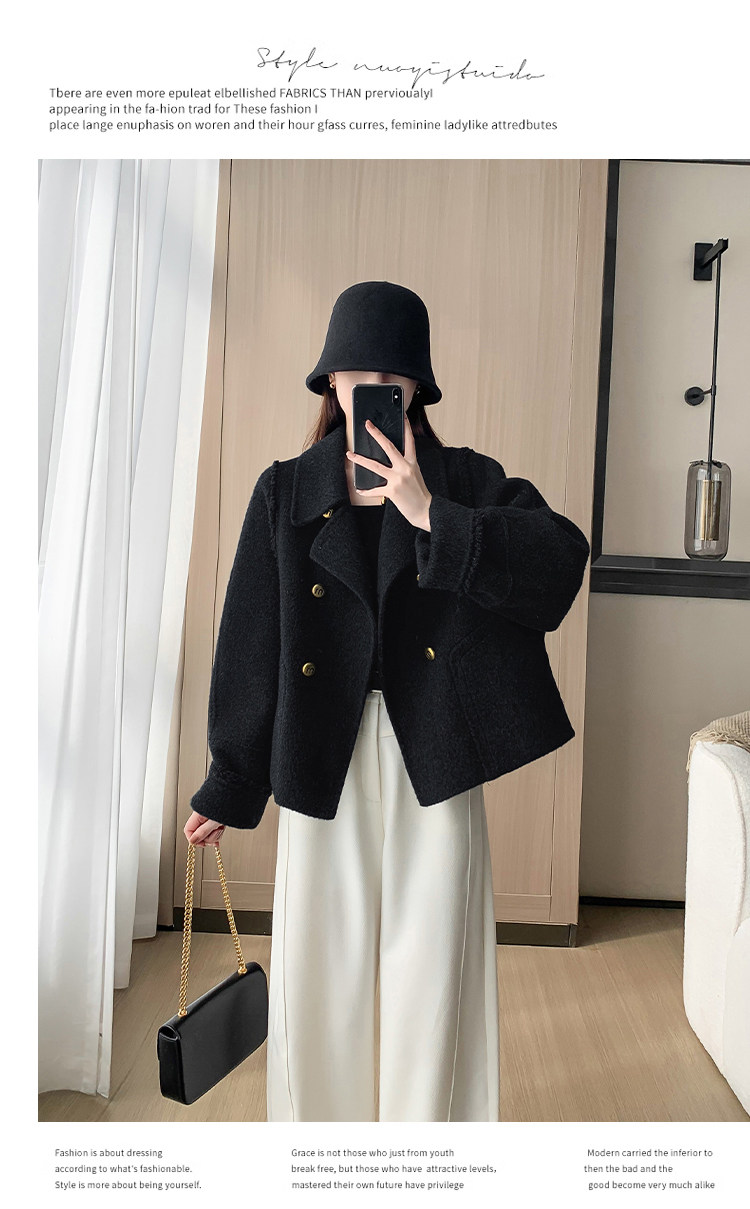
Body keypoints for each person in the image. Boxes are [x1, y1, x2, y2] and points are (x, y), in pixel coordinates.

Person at [184, 280, 591, 1122]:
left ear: (415, 388)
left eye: (392, 377)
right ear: (330, 382)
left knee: (435, 967)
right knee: (317, 972)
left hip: (433, 749)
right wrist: (232, 777)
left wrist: (431, 513)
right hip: (316, 748)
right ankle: (320, 1160)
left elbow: (559, 561)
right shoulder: (284, 491)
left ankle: (428, 1155)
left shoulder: (463, 480)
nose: (373, 389)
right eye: (356, 373)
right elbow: (252, 637)